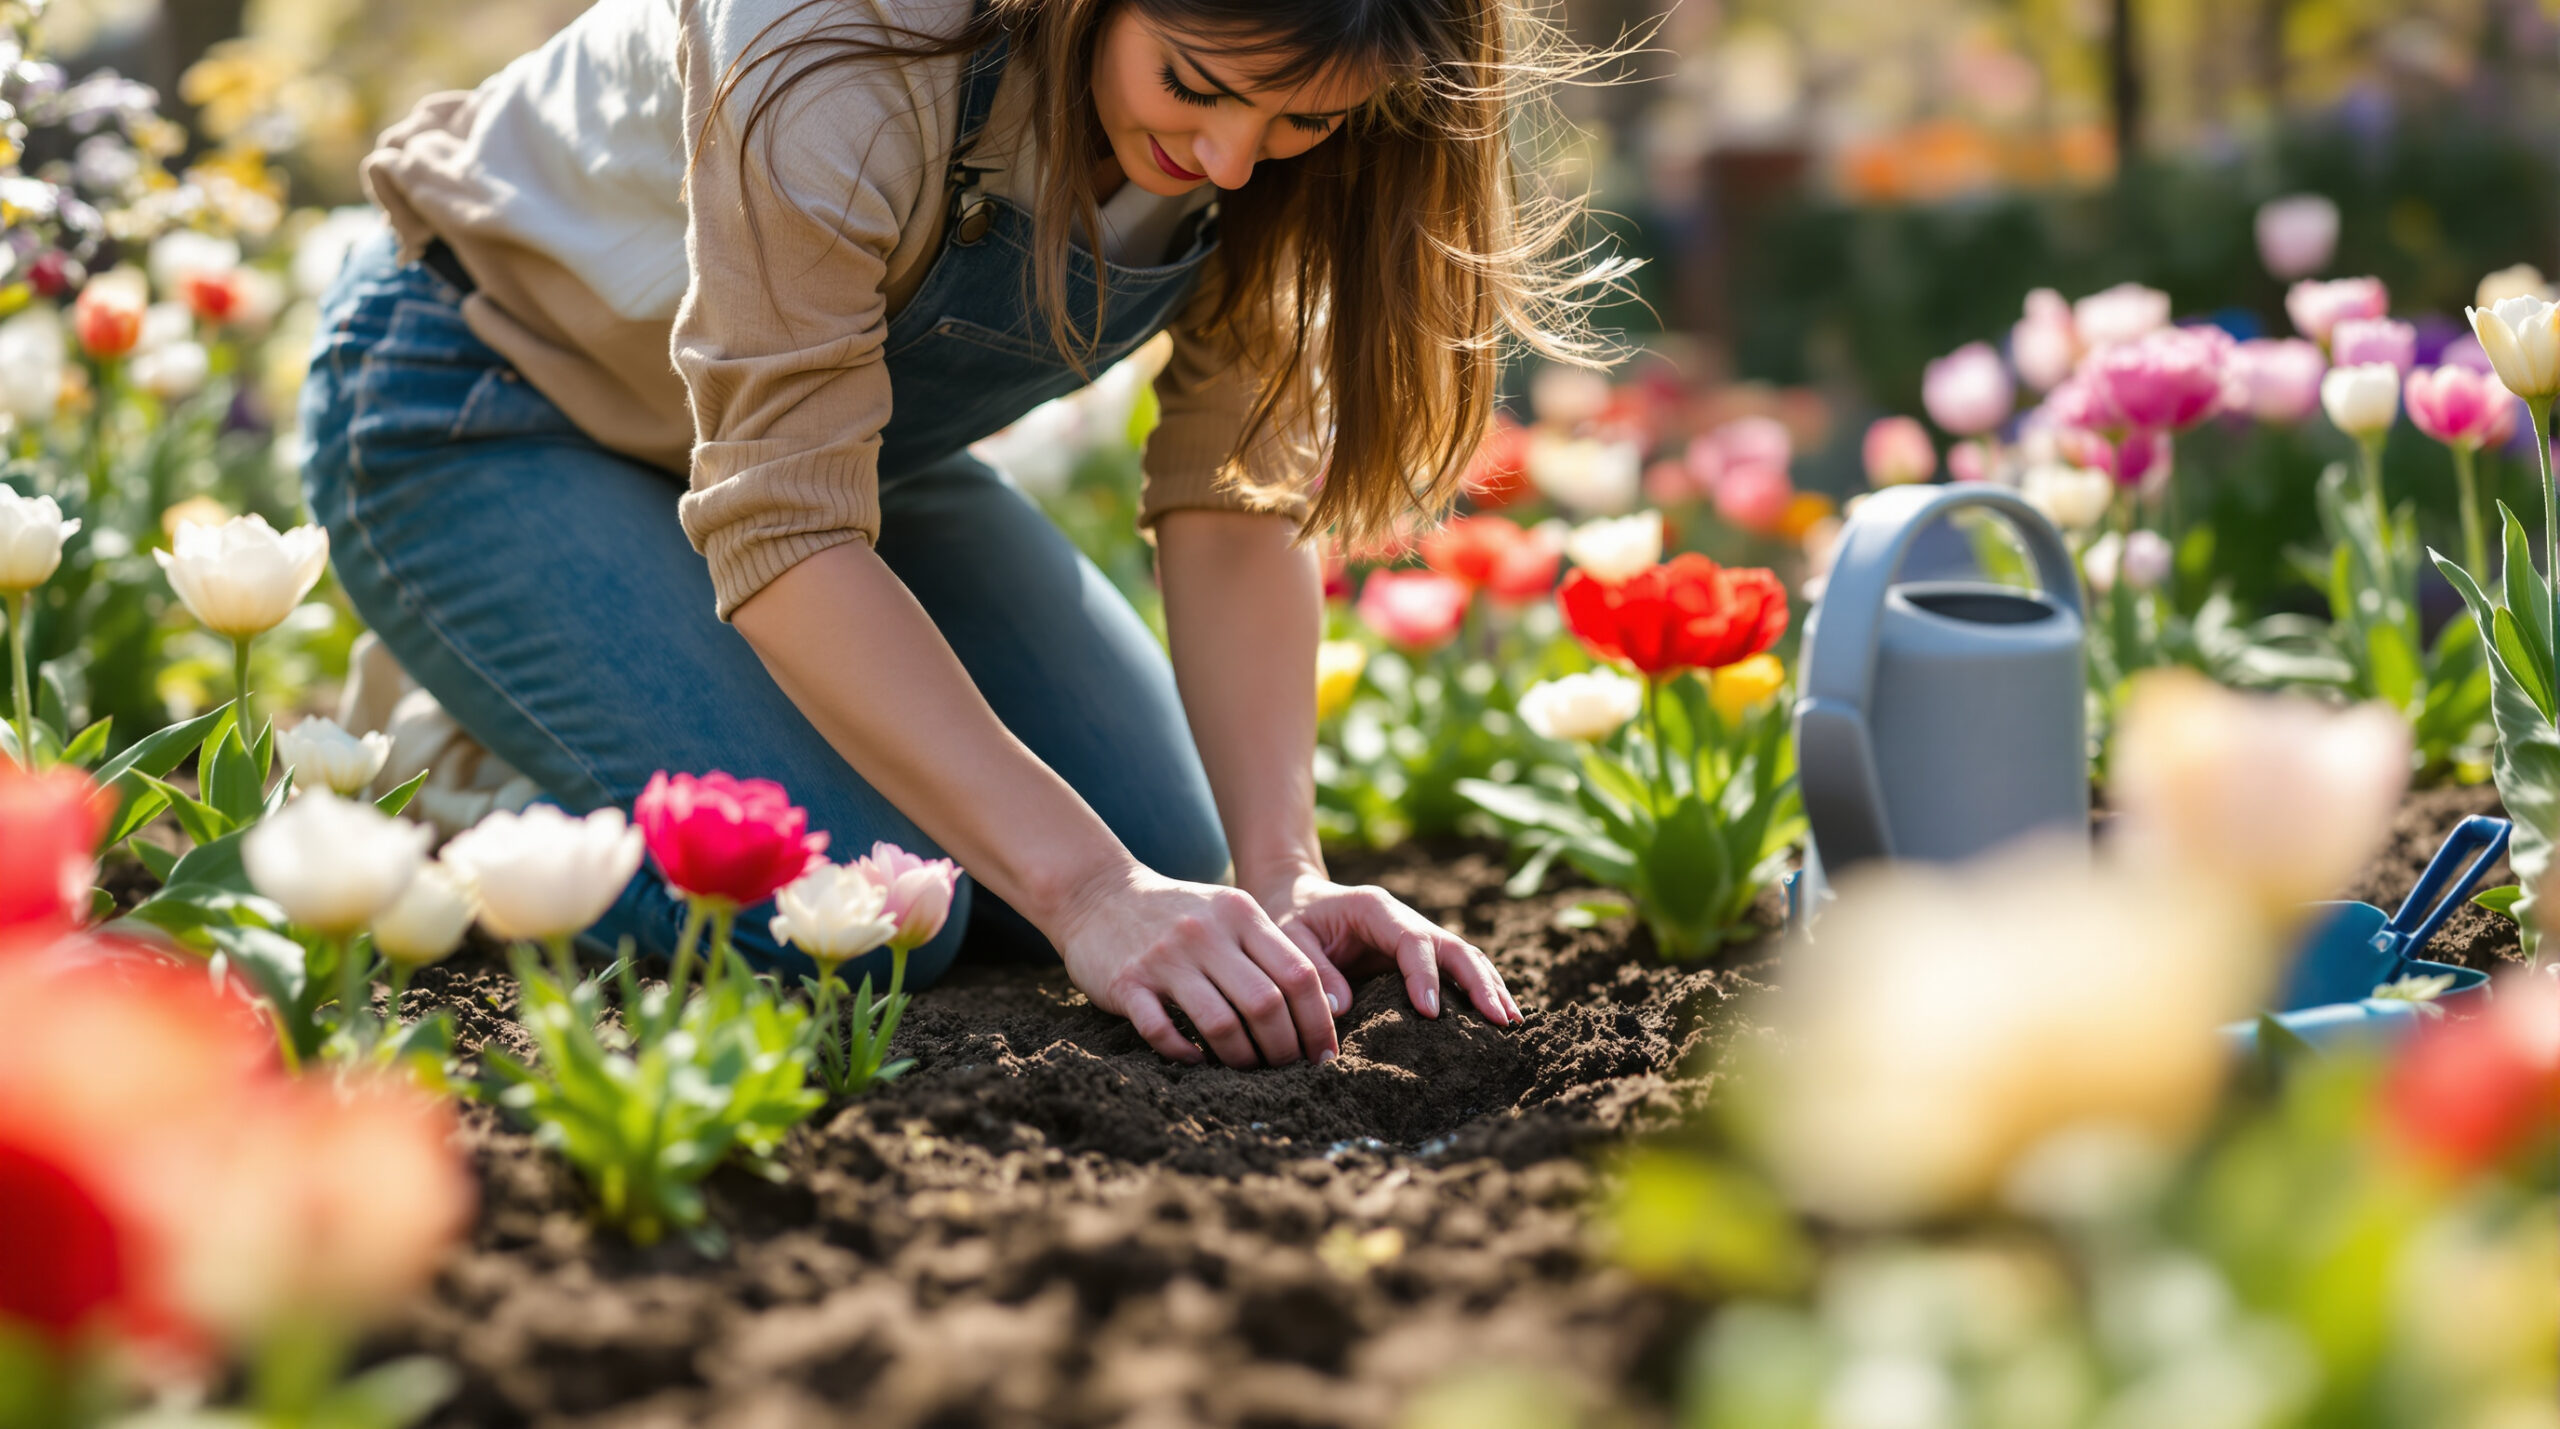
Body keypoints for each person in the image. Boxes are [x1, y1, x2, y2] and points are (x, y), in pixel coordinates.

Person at [299, 0, 1619, 1068]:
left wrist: (1283, 875)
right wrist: (1088, 894)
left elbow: (1231, 492)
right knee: (861, 918)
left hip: (848, 460)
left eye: (1301, 121)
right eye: (1194, 85)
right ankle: (461, 772)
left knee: (1170, 852)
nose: (1231, 161)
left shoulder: (1299, 113)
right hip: (485, 405)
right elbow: (783, 518)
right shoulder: (837, 42)